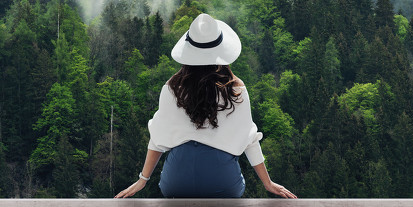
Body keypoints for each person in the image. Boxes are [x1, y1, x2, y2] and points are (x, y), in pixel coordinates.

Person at [115, 13, 297, 199]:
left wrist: (142, 180)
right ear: (221, 50)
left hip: (177, 181)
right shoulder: (235, 89)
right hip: (222, 181)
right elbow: (250, 139)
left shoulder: (172, 88)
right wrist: (267, 183)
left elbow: (158, 139)